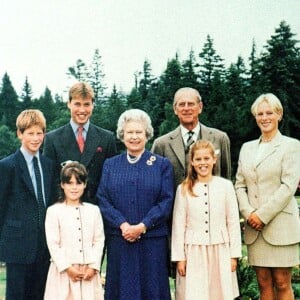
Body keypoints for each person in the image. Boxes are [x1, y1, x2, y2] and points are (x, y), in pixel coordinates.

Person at [97, 109, 174, 300]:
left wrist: (142, 226)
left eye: (138, 132)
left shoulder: (162, 164)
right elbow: (103, 199)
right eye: (129, 132)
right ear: (122, 135)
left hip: (152, 241)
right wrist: (123, 225)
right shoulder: (110, 165)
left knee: (152, 291)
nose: (134, 137)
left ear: (147, 134)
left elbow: (166, 201)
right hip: (120, 241)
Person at [235, 93, 300, 300]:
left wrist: (262, 215)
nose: (264, 117)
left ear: (279, 115)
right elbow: (239, 185)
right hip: (255, 229)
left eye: (269, 112)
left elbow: (288, 186)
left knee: (282, 283)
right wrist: (248, 213)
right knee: (263, 283)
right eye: (260, 113)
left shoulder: (292, 146)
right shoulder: (247, 148)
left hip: (280, 225)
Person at [172, 140, 241, 300]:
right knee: (196, 293)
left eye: (206, 158)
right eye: (198, 159)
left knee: (220, 293)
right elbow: (178, 225)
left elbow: (233, 222)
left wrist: (234, 255)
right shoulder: (183, 189)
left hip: (220, 250)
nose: (203, 163)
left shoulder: (226, 186)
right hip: (193, 252)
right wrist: (180, 258)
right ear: (192, 162)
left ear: (214, 160)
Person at [0, 109, 55, 300]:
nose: (35, 138)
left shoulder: (49, 165)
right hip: (17, 246)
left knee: (39, 295)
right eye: (30, 133)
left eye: (39, 133)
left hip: (44, 247)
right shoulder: (7, 166)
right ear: (19, 134)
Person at [43, 81, 117, 204]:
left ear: (93, 105)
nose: (82, 110)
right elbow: (49, 182)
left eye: (86, 104)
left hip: (98, 211)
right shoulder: (52, 139)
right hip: (64, 211)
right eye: (77, 104)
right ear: (69, 104)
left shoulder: (107, 138)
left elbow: (112, 181)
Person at [44, 161, 104, 300]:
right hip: (64, 272)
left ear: (85, 184)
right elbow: (53, 244)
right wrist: (67, 268)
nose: (74, 188)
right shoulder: (54, 211)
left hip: (88, 272)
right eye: (69, 183)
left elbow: (99, 240)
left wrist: (93, 266)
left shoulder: (93, 210)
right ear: (62, 185)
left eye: (78, 183)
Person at [152, 87, 231, 191]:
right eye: (181, 104)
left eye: (190, 104)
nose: (186, 108)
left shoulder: (220, 138)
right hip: (176, 205)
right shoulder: (161, 144)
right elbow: (154, 182)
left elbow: (226, 176)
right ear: (175, 109)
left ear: (200, 107)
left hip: (213, 204)